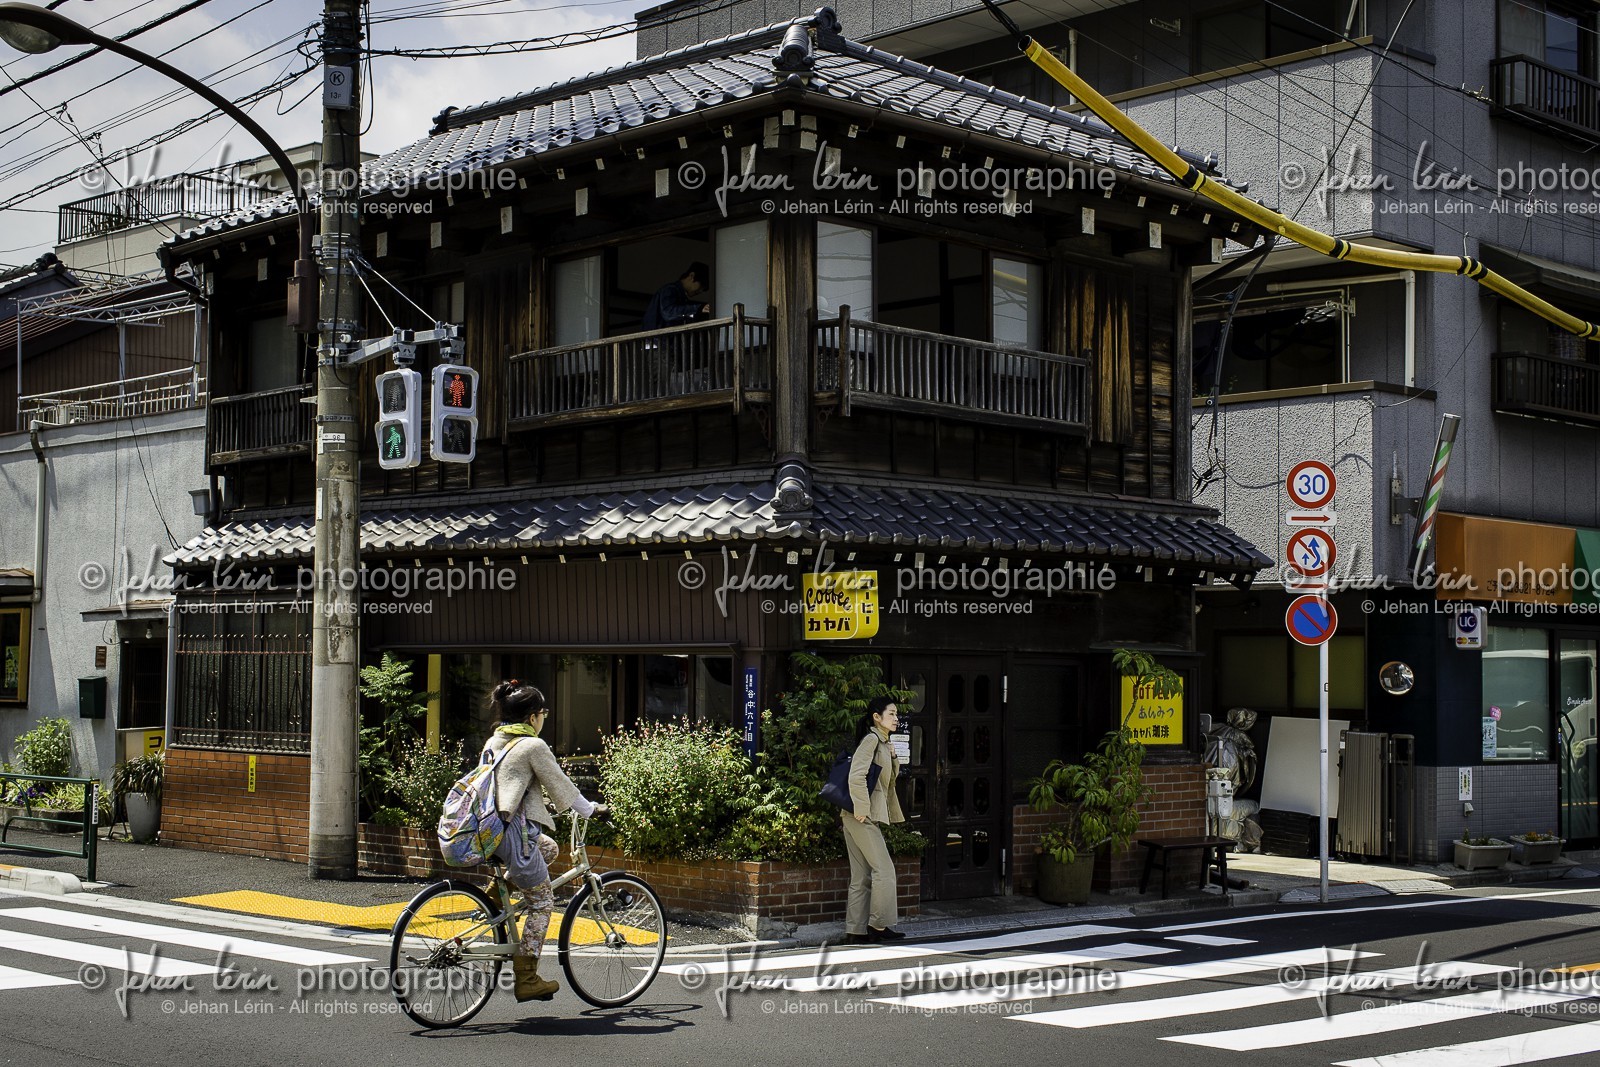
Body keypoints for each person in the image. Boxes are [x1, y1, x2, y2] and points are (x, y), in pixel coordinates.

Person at [481, 679, 604, 1003]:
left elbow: (510, 784)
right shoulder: (532, 746)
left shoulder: (496, 740)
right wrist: (591, 809)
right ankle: (527, 977)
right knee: (542, 902)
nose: (544, 718)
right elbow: (560, 784)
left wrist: (540, 806)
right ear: (533, 716)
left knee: (548, 847)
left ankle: (497, 894)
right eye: (543, 712)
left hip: (491, 829)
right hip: (514, 836)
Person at [842, 695, 906, 944]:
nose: (896, 718)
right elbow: (856, 775)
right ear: (876, 717)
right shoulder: (871, 740)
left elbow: (889, 780)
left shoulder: (882, 742)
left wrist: (892, 755)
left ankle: (856, 931)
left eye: (896, 714)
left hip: (858, 814)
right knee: (885, 870)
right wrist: (861, 808)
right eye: (891, 714)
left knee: (861, 876)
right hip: (861, 815)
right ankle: (877, 927)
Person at [641, 262, 711, 329]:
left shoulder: (680, 295)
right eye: (702, 286)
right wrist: (698, 308)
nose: (701, 291)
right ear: (692, 276)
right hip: (657, 340)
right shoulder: (669, 290)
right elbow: (668, 312)